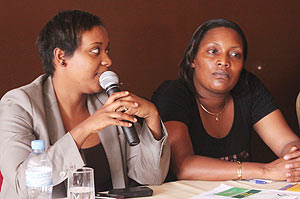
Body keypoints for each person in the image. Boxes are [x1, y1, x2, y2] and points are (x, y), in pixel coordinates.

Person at [0, 10, 170, 198]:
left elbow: (150, 178)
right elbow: (21, 184)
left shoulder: (106, 102)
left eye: (107, 50)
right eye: (95, 51)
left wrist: (152, 117)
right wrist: (86, 128)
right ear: (61, 57)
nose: (107, 60)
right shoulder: (18, 105)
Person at [152, 18, 300, 182]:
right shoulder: (173, 94)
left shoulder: (249, 88)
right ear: (192, 58)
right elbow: (183, 166)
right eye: (213, 51)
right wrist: (265, 171)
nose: (224, 61)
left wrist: (294, 159)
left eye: (235, 54)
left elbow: (287, 142)